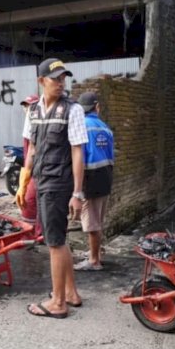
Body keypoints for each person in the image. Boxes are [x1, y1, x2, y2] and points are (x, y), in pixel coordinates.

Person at [17, 58, 87, 319]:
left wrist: (77, 193)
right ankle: (70, 293)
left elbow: (78, 151)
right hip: (42, 181)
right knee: (59, 239)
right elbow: (32, 149)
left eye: (63, 78)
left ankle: (58, 303)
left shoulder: (73, 110)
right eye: (55, 78)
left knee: (54, 242)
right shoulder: (33, 111)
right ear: (41, 81)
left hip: (59, 183)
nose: (60, 82)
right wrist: (24, 182)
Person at [73, 92, 114, 271]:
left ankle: (94, 261)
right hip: (105, 178)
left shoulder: (81, 127)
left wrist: (76, 189)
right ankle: (95, 253)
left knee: (91, 224)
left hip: (90, 179)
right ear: (97, 107)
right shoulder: (106, 128)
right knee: (98, 220)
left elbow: (78, 158)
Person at [18, 94, 41, 237]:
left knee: (30, 201)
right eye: (25, 106)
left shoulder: (38, 124)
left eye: (30, 105)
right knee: (27, 200)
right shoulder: (28, 125)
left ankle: (35, 234)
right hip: (29, 169)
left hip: (37, 170)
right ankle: (33, 233)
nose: (27, 108)